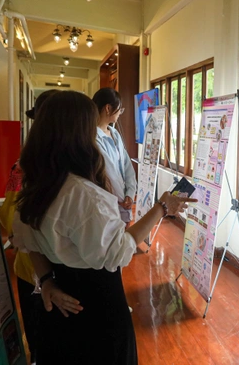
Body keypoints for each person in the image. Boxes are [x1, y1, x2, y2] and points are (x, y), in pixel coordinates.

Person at [12, 91, 196, 365]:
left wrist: (47, 280)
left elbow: (28, 244)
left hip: (60, 306)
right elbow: (119, 252)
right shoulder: (83, 196)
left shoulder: (34, 188)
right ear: (77, 135)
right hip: (98, 311)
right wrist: (162, 207)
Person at [0, 89, 58, 364]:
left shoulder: (22, 166)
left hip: (29, 267)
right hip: (68, 268)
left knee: (36, 331)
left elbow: (8, 217)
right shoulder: (79, 165)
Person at [93, 88, 137, 227]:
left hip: (123, 201)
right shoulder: (94, 138)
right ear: (108, 108)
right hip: (109, 202)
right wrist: (123, 199)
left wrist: (130, 193)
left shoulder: (114, 133)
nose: (119, 113)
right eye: (119, 109)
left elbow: (127, 165)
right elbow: (109, 173)